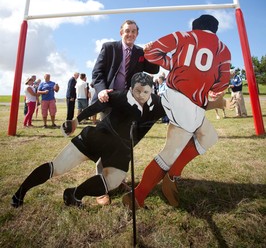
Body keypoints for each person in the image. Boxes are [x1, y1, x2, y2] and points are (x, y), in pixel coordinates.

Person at [122, 14, 231, 209]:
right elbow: (221, 83)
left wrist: (174, 65)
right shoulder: (223, 49)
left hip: (172, 94)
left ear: (195, 26)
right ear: (215, 29)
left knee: (209, 137)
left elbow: (151, 53)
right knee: (170, 153)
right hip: (188, 103)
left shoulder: (183, 35)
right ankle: (138, 195)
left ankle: (171, 175)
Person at [10, 73, 164, 209]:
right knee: (58, 168)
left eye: (146, 92)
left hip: (120, 150)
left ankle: (75, 194)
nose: (141, 95)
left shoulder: (158, 105)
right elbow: (96, 107)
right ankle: (20, 193)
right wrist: (76, 121)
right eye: (137, 91)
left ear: (151, 90)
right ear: (131, 88)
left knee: (113, 180)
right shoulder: (120, 95)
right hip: (97, 137)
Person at [91, 19, 160, 205]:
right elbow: (97, 73)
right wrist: (101, 90)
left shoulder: (139, 52)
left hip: (128, 105)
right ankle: (100, 186)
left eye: (134, 31)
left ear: (137, 33)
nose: (130, 34)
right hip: (108, 101)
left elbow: (153, 69)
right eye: (127, 31)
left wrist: (150, 52)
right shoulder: (109, 48)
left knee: (123, 145)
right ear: (121, 32)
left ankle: (118, 180)